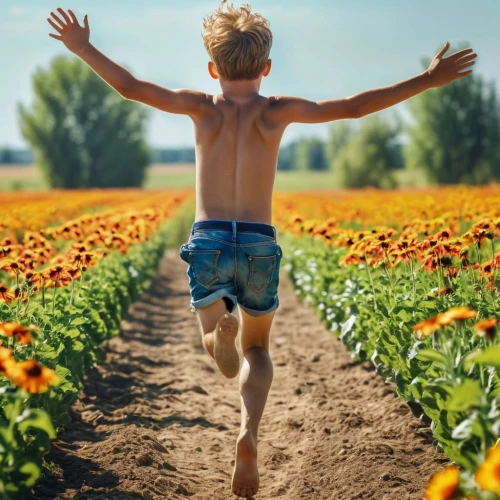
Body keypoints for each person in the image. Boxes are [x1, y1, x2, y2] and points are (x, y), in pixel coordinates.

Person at [47, 2, 477, 497]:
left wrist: (83, 48)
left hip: (209, 239)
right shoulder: (277, 111)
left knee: (217, 345)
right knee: (258, 349)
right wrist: (425, 79)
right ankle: (248, 432)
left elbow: (131, 88)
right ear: (266, 67)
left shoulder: (200, 106)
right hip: (257, 242)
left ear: (212, 68)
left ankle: (216, 339)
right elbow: (354, 106)